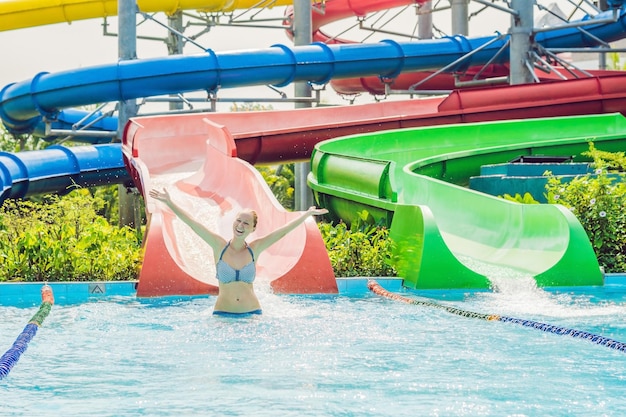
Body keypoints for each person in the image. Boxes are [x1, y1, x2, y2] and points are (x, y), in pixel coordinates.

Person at [149, 187, 328, 316]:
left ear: (252, 228)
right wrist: (169, 202)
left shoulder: (254, 249)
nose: (240, 226)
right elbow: (192, 223)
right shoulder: (218, 245)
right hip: (222, 315)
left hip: (253, 314)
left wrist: (305, 216)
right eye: (238, 221)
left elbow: (283, 232)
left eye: (246, 223)